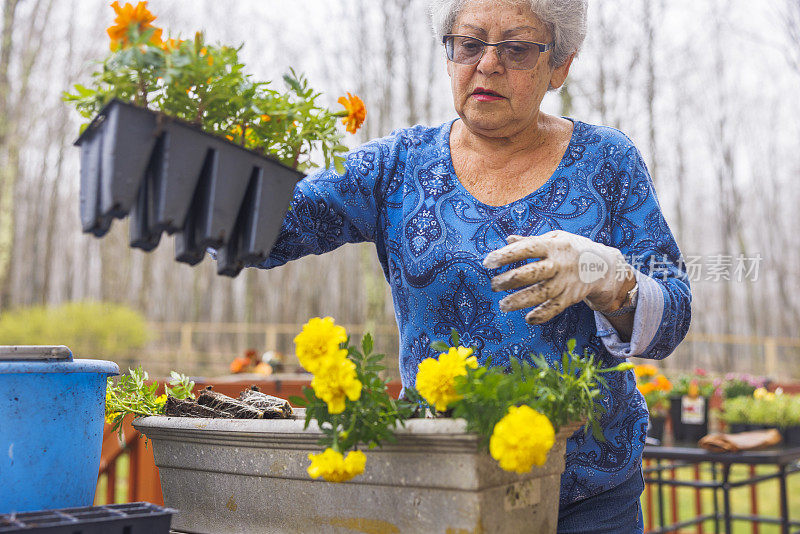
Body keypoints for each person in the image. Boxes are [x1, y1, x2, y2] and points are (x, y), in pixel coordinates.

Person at [258, 0, 691, 531]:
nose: (488, 64)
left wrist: (610, 280)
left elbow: (673, 315)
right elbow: (272, 229)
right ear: (448, 56)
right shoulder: (400, 167)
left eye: (516, 48)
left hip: (584, 497)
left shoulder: (607, 163)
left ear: (560, 65)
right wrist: (207, 167)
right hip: (446, 486)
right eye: (469, 44)